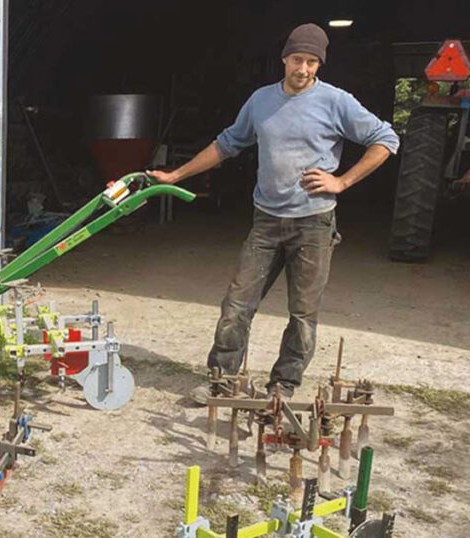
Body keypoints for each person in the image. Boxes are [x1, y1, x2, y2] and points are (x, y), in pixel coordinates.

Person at [147, 23, 400, 402]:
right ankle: (222, 380)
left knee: (302, 314)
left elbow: (386, 139)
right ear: (284, 59)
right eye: (298, 59)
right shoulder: (261, 100)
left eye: (313, 62)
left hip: (314, 224)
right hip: (266, 221)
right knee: (236, 305)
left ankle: (283, 385)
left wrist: (342, 182)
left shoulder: (336, 101)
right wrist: (176, 174)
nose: (304, 69)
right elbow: (227, 143)